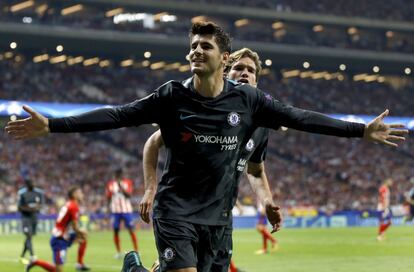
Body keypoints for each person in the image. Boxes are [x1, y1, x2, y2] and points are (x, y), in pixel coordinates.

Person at [6, 21, 408, 272]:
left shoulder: (249, 102)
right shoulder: (170, 96)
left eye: (206, 45)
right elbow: (117, 115)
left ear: (224, 56)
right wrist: (53, 126)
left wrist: (360, 131)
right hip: (175, 209)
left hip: (219, 217)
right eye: (193, 45)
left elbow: (300, 119)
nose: (197, 50)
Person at [139, 47, 279, 272]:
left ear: (256, 81)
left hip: (220, 219)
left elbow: (255, 170)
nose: (244, 73)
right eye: (238, 68)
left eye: (250, 70)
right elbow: (153, 142)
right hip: (181, 211)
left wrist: (267, 200)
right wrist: (150, 187)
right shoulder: (206, 108)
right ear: (224, 72)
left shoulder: (260, 125)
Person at [26, 186, 90, 272]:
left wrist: (81, 232)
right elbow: (75, 227)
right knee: (57, 270)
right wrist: (81, 231)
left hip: (64, 235)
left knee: (83, 237)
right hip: (59, 239)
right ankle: (36, 262)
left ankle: (79, 263)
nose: (82, 195)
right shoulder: (73, 206)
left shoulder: (69, 204)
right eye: (80, 193)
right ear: (74, 195)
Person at [106, 168, 138, 258]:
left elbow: (129, 195)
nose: (118, 177)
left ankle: (136, 250)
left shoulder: (127, 182)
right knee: (116, 231)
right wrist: (108, 207)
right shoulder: (110, 184)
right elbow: (108, 197)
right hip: (116, 211)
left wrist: (121, 187)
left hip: (126, 210)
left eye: (120, 175)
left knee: (131, 230)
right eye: (117, 175)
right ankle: (118, 252)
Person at [18, 178, 44, 264]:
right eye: (31, 183)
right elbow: (19, 207)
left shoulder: (39, 193)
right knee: (28, 236)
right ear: (27, 185)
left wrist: (36, 208)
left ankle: (21, 256)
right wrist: (29, 209)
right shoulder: (22, 193)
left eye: (33, 183)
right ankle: (32, 256)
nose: (33, 184)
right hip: (25, 218)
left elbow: (41, 204)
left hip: (34, 218)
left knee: (29, 237)